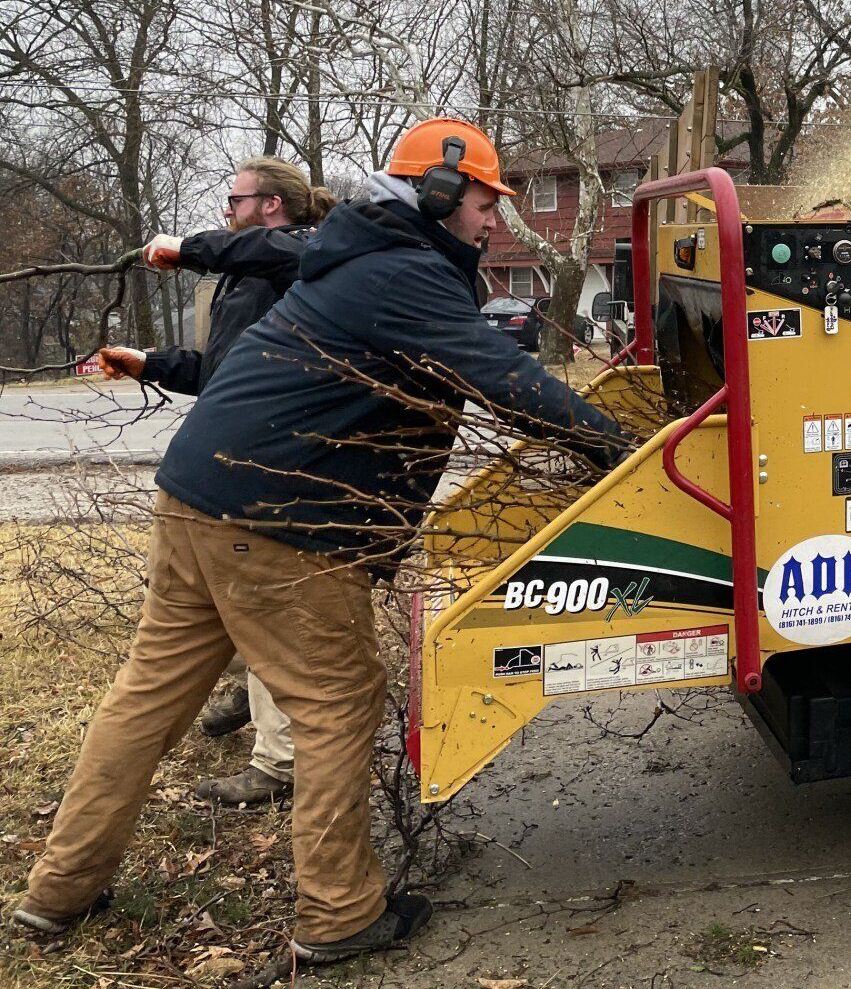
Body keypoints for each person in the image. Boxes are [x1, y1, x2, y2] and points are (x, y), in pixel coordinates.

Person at [14, 118, 629, 966]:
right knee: (337, 700)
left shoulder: (361, 256)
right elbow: (507, 381)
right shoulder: (404, 272)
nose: (495, 222)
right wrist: (630, 452)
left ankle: (58, 893)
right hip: (278, 524)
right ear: (442, 194)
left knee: (144, 700)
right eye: (488, 202)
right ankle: (340, 916)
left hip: (197, 498)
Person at [98, 156, 338, 811]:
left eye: (234, 199)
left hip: (270, 466)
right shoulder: (240, 277)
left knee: (260, 611)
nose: (225, 209)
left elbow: (280, 248)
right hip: (224, 466)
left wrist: (187, 250)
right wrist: (147, 363)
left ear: (269, 205)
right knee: (208, 607)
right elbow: (215, 372)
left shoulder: (303, 259)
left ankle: (279, 762)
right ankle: (251, 686)